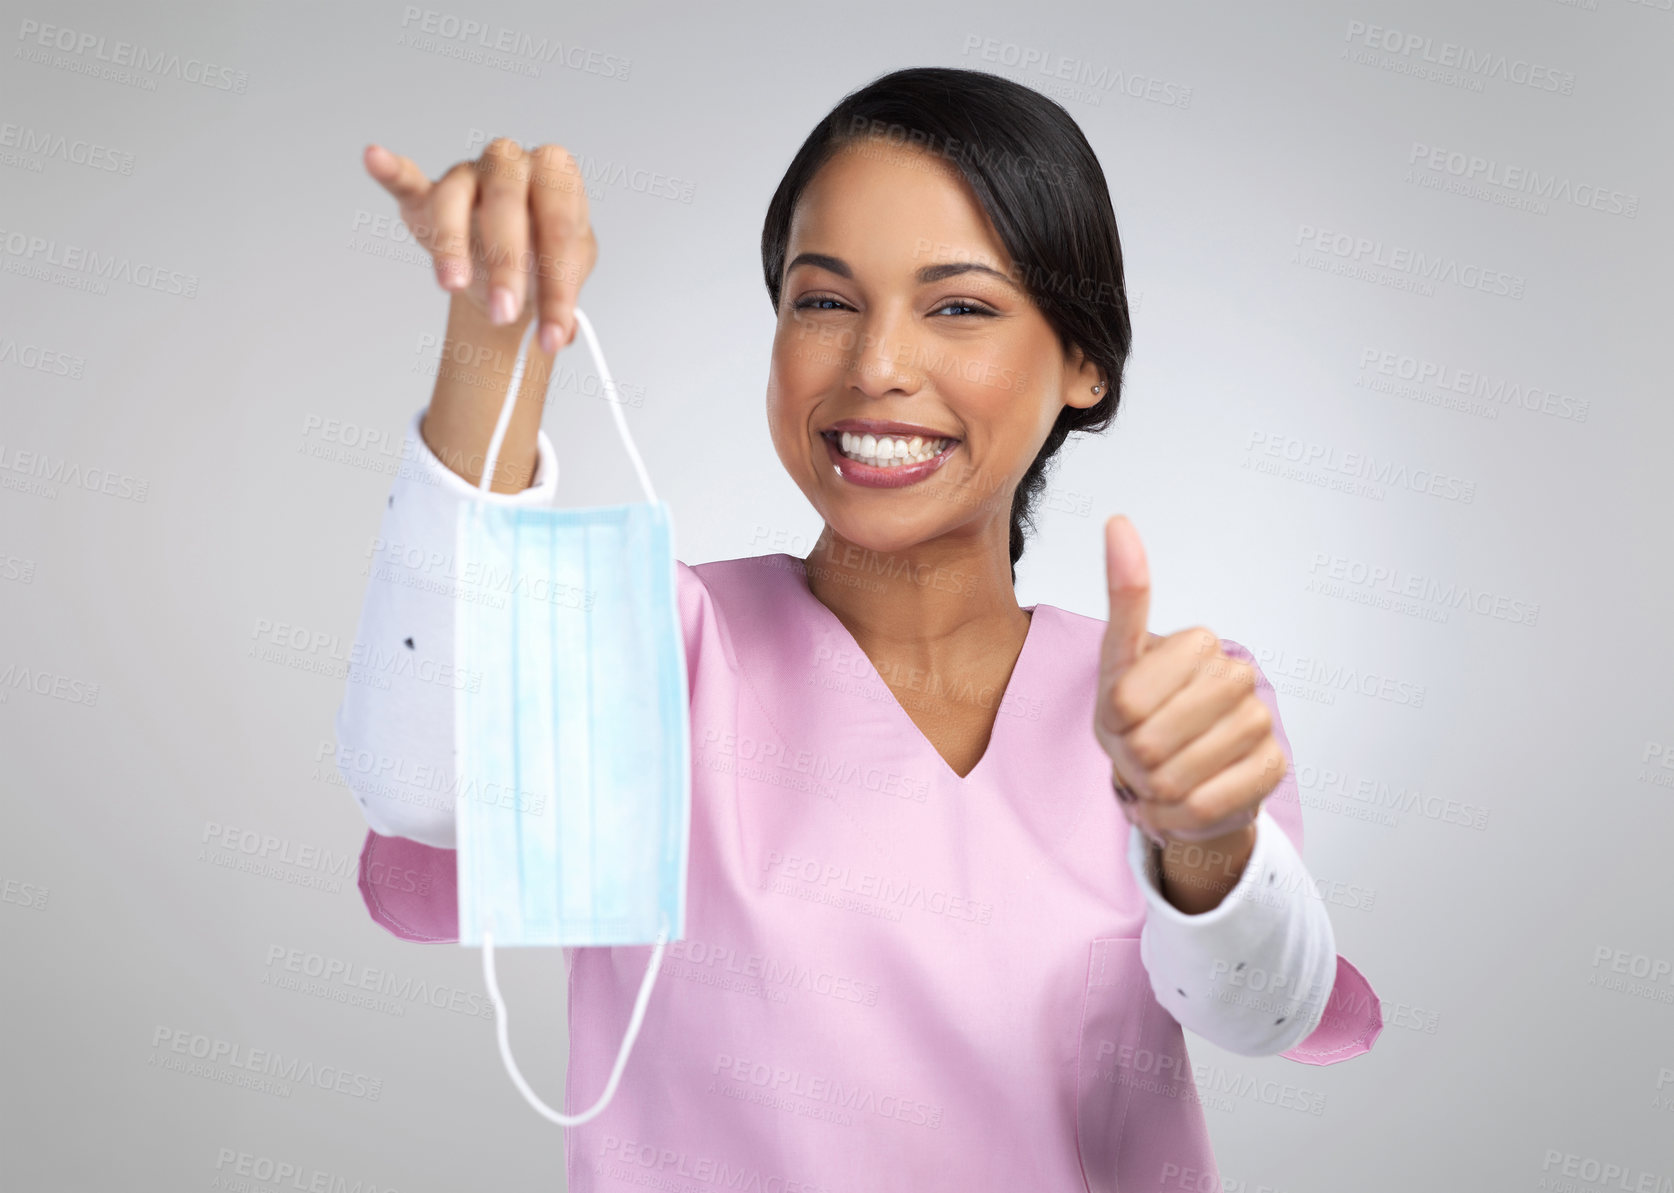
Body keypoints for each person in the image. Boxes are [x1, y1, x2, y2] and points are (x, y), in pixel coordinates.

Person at [336, 66, 1381, 1192]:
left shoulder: (1172, 707)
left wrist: (1209, 844)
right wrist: (497, 336)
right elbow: (419, 782)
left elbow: (1258, 1007)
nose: (877, 366)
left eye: (960, 306)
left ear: (1083, 363)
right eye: (823, 300)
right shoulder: (658, 653)